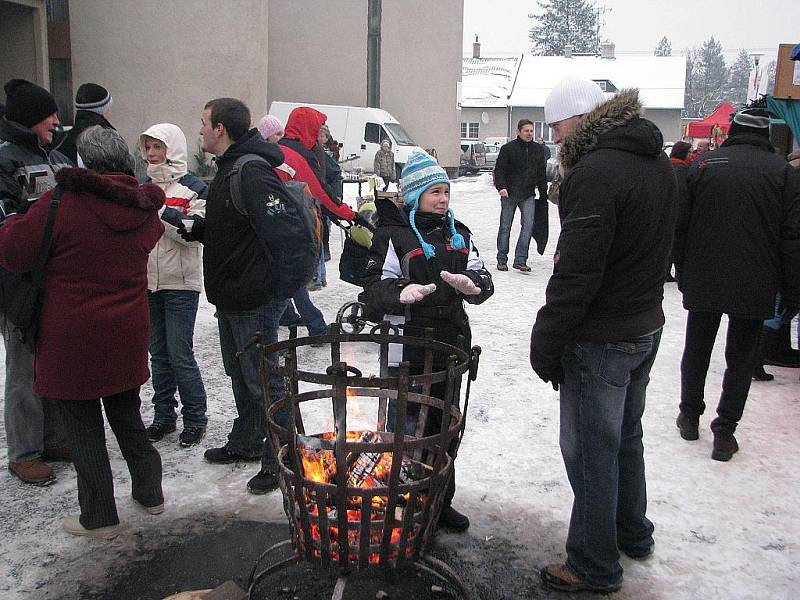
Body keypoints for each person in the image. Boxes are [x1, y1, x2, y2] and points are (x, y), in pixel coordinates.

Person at [530, 78, 677, 593]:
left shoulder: (594, 172)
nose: (553, 135)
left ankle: (593, 562)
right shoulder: (654, 159)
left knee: (592, 449)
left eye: (556, 124)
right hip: (644, 325)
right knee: (624, 437)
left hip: (603, 339)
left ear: (579, 118)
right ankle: (630, 531)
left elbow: (578, 273)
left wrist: (546, 341)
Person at [0, 126, 165, 539]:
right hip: (126, 329)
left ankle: (99, 517)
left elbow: (14, 251)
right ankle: (150, 493)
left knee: (84, 426)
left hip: (70, 335)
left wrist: (13, 220)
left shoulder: (61, 203)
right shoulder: (144, 207)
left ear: (84, 163)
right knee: (128, 414)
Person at [362, 151, 494, 532]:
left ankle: (439, 500)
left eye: (446, 192)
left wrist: (475, 286)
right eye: (434, 191)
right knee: (402, 429)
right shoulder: (392, 235)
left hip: (449, 343)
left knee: (443, 426)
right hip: (406, 347)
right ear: (415, 193)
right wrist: (399, 292)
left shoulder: (460, 235)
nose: (443, 199)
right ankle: (400, 501)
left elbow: (482, 276)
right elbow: (371, 288)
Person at [673, 109, 800, 461]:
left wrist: (681, 268)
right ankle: (725, 430)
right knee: (741, 357)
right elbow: (792, 237)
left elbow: (680, 224)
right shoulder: (783, 174)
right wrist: (792, 289)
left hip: (704, 273)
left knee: (697, 347)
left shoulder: (704, 166)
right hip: (756, 278)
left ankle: (689, 413)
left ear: (735, 130)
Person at [180, 98, 292, 495]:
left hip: (253, 299)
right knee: (241, 377)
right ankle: (246, 441)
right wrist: (200, 230)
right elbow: (236, 228)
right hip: (230, 297)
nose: (200, 130)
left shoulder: (252, 171)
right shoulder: (229, 167)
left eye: (203, 123)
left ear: (221, 130)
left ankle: (282, 458)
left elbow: (289, 234)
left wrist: (277, 290)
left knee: (265, 381)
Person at [0, 79, 71, 486]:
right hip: (19, 284)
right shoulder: (5, 162)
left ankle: (56, 440)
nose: (58, 122)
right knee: (24, 368)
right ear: (30, 119)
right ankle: (24, 452)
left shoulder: (60, 158)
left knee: (53, 364)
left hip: (57, 280)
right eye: (50, 115)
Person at [137, 123, 209, 447]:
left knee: (181, 354)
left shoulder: (194, 188)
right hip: (149, 283)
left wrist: (161, 210)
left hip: (181, 283)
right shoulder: (142, 187)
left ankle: (195, 418)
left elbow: (191, 234)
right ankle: (164, 417)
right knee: (158, 355)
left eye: (158, 147)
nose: (152, 154)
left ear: (173, 149)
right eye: (148, 148)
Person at [256, 114, 328, 338]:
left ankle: (307, 322)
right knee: (291, 282)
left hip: (288, 227)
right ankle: (313, 324)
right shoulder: (271, 162)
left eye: (281, 133)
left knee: (289, 281)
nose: (280, 138)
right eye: (275, 134)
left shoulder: (282, 160)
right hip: (283, 228)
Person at [492, 119, 548, 272]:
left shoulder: (538, 150)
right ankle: (502, 259)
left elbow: (541, 173)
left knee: (528, 226)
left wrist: (543, 193)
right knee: (505, 227)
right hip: (509, 193)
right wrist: (501, 187)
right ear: (518, 132)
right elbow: (500, 169)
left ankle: (520, 259)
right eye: (526, 131)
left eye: (531, 131)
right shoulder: (508, 149)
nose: (529, 133)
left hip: (528, 194)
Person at [59, 83, 115, 165]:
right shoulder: (107, 139)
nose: (111, 114)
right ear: (103, 111)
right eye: (109, 109)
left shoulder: (63, 140)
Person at [666, 141, 692, 283]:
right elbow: (683, 195)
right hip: (679, 215)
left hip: (667, 214)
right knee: (677, 246)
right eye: (689, 152)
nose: (691, 155)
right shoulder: (683, 170)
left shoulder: (666, 166)